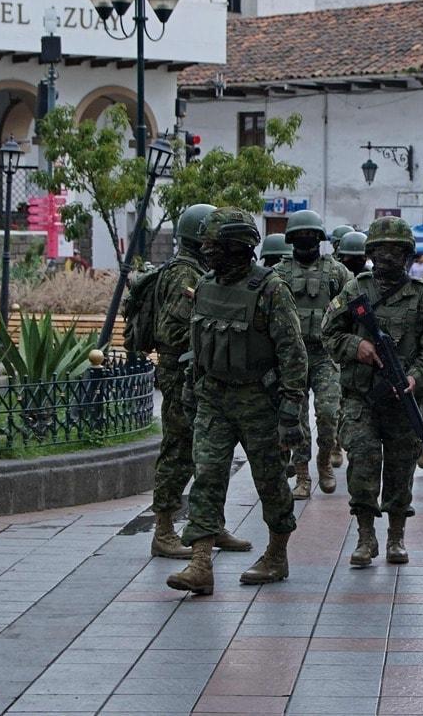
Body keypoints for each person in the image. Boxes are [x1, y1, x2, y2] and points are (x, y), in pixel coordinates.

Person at [166, 208, 308, 594]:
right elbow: (198, 347)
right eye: (207, 247)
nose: (208, 253)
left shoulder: (270, 290)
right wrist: (188, 393)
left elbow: (293, 353)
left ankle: (277, 554)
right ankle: (200, 563)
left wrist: (291, 411)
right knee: (207, 476)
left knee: (270, 481)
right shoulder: (207, 286)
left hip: (259, 401)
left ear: (239, 248)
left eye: (216, 247)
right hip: (213, 398)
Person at [322, 216, 423, 567]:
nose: (388, 257)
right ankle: (365, 537)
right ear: (371, 253)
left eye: (396, 251)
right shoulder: (355, 291)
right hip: (361, 397)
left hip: (401, 401)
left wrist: (415, 377)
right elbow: (328, 333)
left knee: (400, 468)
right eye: (381, 250)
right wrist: (355, 346)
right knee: (362, 459)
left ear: (407, 255)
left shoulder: (421, 296)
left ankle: (395, 537)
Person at [147, 204, 254, 560]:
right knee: (179, 452)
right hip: (180, 374)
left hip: (199, 374)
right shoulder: (184, 274)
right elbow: (172, 330)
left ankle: (211, 524)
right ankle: (163, 529)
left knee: (210, 456)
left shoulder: (200, 272)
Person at [274, 210, 353, 499]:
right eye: (300, 236)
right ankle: (303, 474)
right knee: (295, 418)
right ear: (291, 239)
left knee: (329, 412)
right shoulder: (280, 273)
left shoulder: (336, 271)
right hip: (293, 357)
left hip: (325, 354)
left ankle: (324, 462)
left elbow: (355, 303)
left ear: (319, 238)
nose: (305, 240)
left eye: (311, 235)